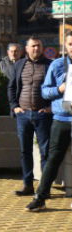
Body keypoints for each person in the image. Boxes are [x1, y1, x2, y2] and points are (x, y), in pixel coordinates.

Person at [25, 32, 72, 212]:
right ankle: (40, 198)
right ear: (65, 45)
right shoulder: (57, 65)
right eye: (70, 44)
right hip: (61, 119)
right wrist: (60, 88)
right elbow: (44, 91)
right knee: (52, 160)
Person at [7, 37, 52, 196]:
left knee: (45, 152)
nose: (36, 48)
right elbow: (11, 88)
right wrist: (14, 107)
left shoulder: (49, 65)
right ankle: (27, 184)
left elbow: (56, 88)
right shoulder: (19, 65)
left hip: (42, 115)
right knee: (25, 151)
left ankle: (44, 189)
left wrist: (50, 108)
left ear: (42, 47)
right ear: (26, 49)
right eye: (32, 46)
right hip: (23, 115)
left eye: (38, 45)